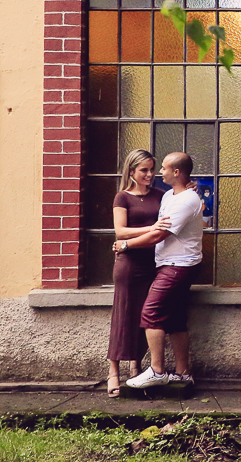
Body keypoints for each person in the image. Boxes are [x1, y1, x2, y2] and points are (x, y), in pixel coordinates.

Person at [121, 152, 205, 389]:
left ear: (177, 172)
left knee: (151, 313)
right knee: (176, 319)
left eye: (165, 168)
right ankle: (182, 373)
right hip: (170, 264)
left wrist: (126, 244)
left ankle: (157, 371)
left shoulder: (187, 199)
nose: (160, 173)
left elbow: (159, 234)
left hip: (179, 266)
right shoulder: (170, 194)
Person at [105, 149, 170, 397]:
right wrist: (151, 227)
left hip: (154, 262)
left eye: (152, 169)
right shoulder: (122, 197)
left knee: (147, 316)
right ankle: (113, 372)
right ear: (131, 171)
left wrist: (192, 189)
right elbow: (120, 232)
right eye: (144, 170)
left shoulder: (161, 195)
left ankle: (137, 365)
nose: (150, 174)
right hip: (129, 264)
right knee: (123, 315)